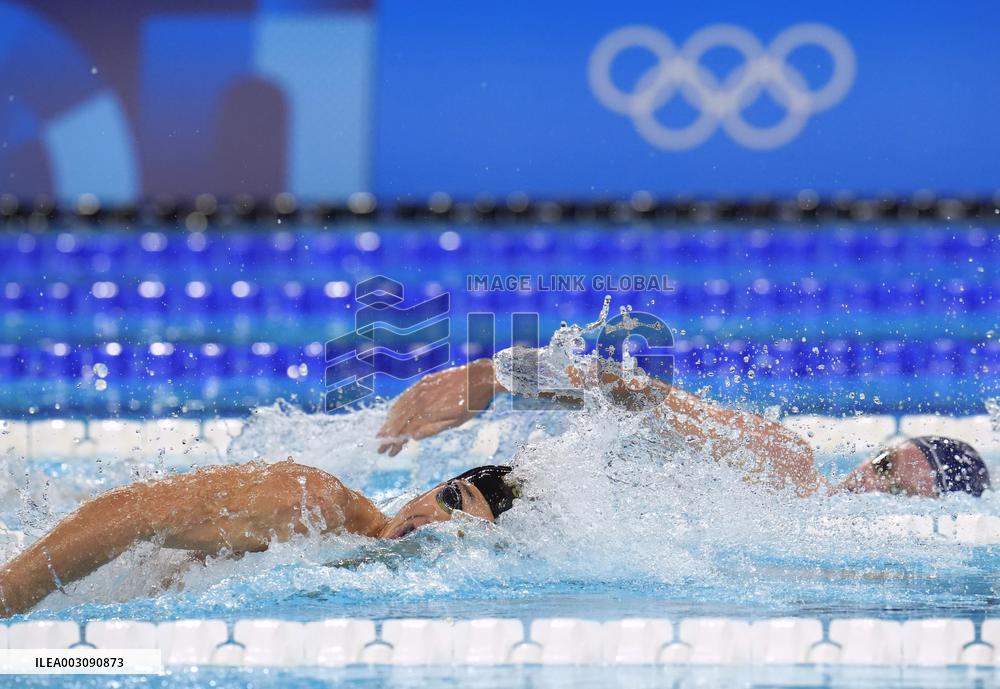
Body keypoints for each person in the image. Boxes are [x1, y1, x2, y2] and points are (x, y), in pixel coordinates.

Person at [0, 354, 989, 616]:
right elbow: (631, 389)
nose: (869, 476)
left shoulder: (840, 569)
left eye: (897, 484)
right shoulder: (778, 472)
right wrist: (491, 374)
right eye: (885, 457)